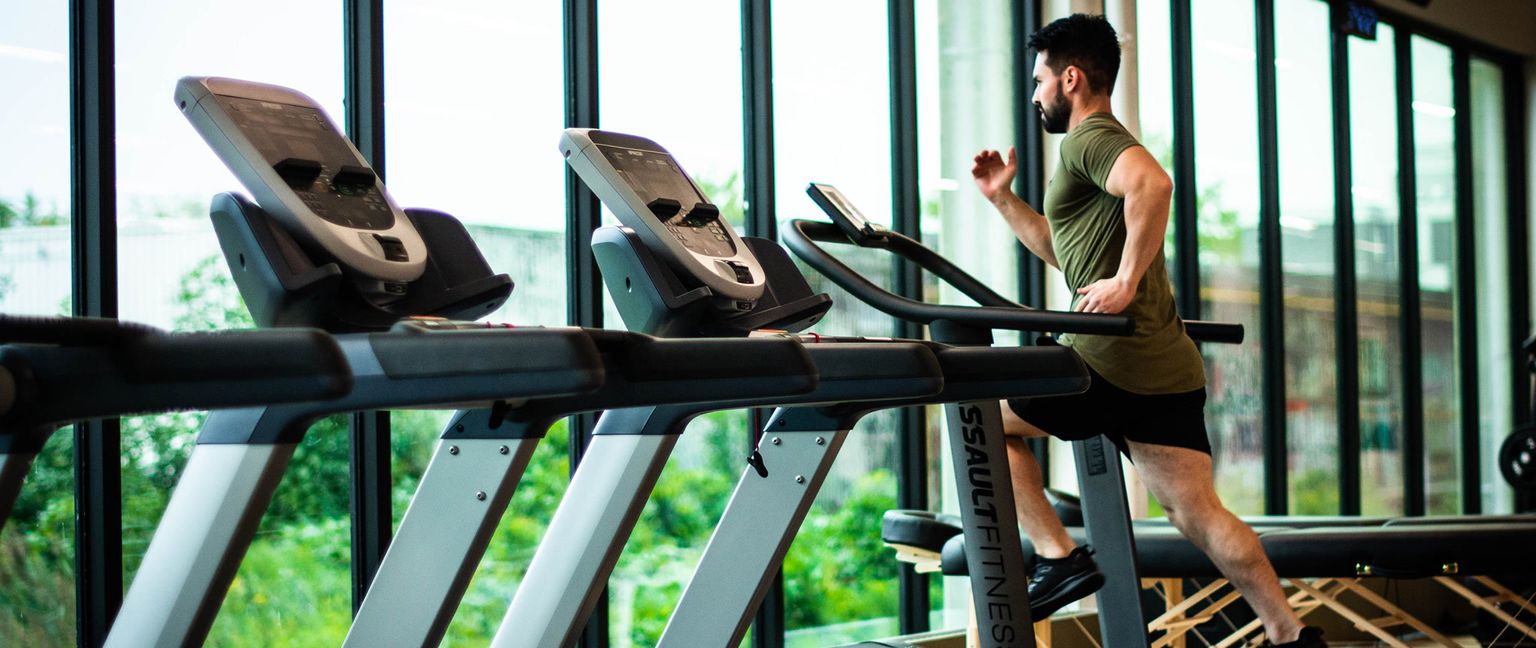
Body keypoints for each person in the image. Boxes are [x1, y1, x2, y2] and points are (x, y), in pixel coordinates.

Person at [970, 13, 1324, 647]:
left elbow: (1154, 184)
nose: (1034, 95)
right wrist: (1003, 198)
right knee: (1199, 514)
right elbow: (1065, 251)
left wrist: (1127, 282)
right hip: (1164, 366)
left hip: (1104, 359)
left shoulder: (1088, 139)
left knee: (982, 418)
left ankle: (1057, 559)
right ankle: (1290, 634)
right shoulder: (1091, 151)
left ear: (1070, 78)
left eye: (1039, 80)